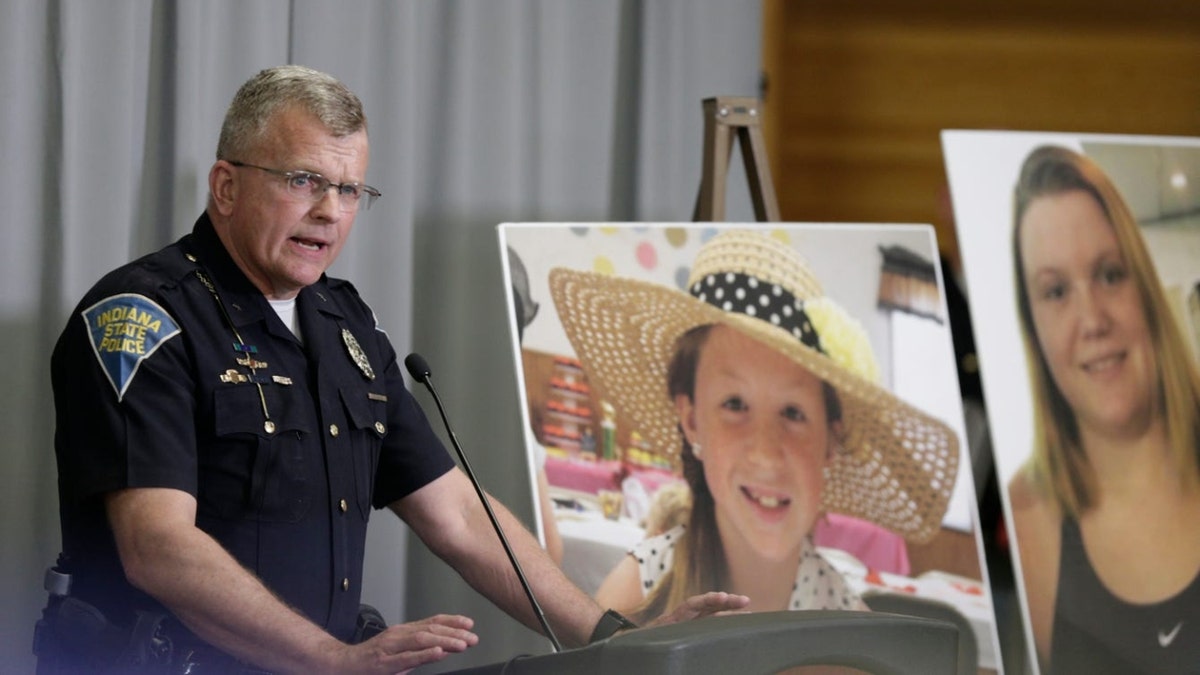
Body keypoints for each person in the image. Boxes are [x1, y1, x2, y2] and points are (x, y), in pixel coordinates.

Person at [35, 65, 747, 675]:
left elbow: (460, 516)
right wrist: (333, 657)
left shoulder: (344, 327)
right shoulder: (144, 318)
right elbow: (158, 547)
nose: (330, 212)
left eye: (350, 191)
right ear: (225, 186)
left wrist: (610, 639)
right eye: (304, 180)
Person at [548, 230, 960, 623]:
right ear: (692, 421)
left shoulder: (846, 634)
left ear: (831, 441)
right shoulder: (638, 593)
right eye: (734, 404)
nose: (764, 452)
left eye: (793, 413)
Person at [1005, 145, 1200, 673]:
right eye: (1057, 291)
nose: (1092, 320)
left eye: (1110, 275)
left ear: (1145, 290)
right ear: (1034, 328)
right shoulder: (1023, 518)